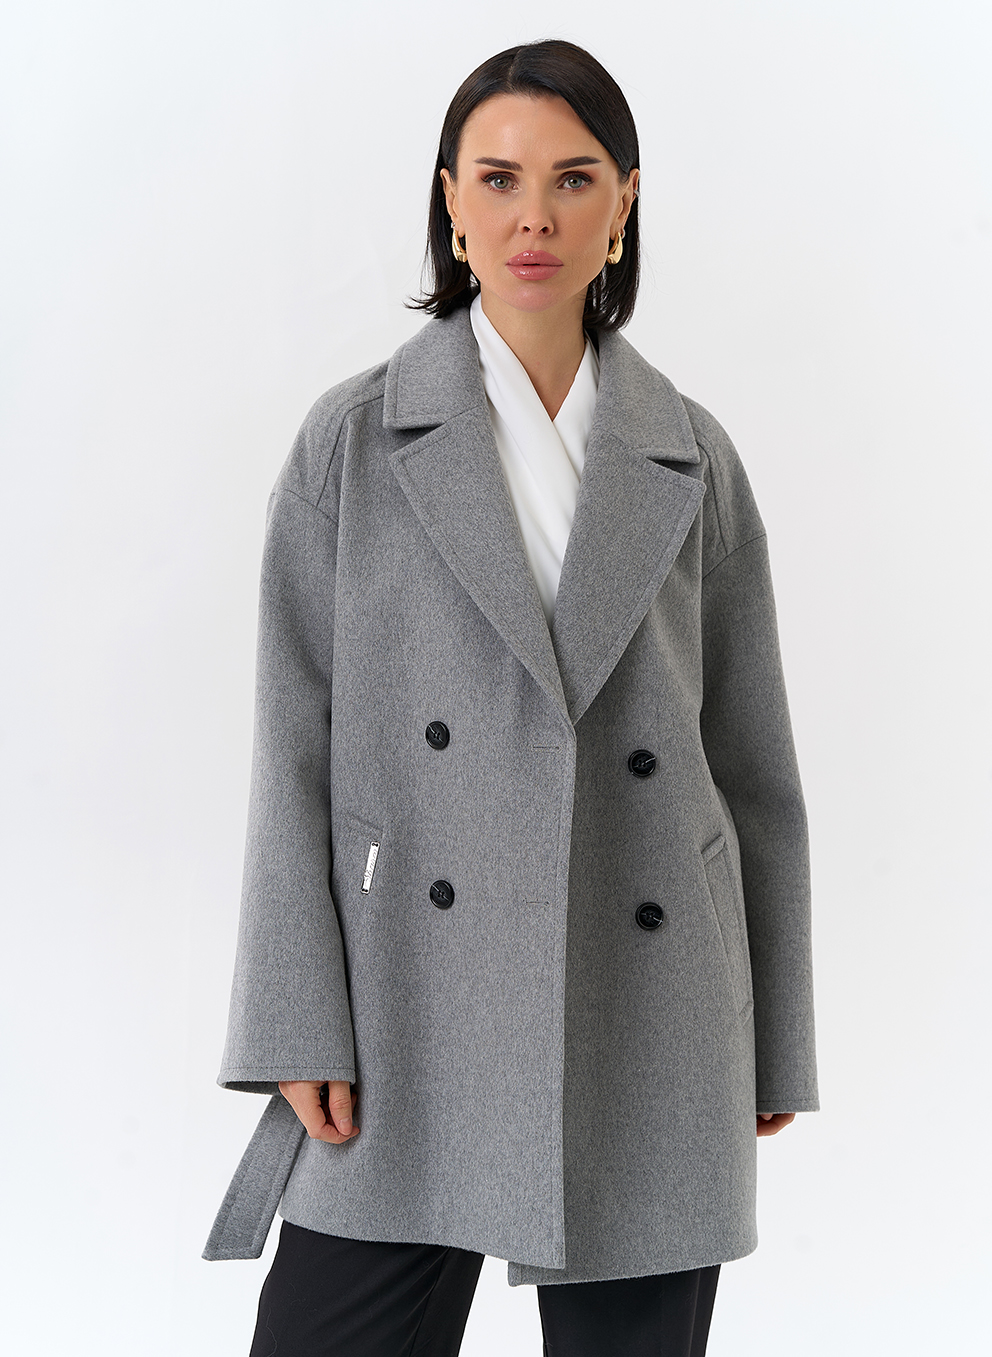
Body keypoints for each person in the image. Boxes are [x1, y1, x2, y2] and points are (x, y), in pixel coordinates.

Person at [204, 38, 818, 1357]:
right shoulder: (353, 443)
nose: (533, 215)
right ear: (451, 202)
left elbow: (751, 768)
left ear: (624, 205)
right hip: (407, 1000)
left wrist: (776, 1037)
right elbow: (292, 751)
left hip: (648, 996)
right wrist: (295, 1016)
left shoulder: (691, 455)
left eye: (573, 178)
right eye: (498, 178)